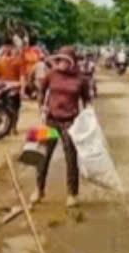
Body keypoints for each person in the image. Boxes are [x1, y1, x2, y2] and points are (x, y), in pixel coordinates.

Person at [37, 45, 92, 208]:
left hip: (70, 122)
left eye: (66, 61)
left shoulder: (81, 79)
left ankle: (72, 194)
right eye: (60, 60)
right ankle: (38, 190)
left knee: (71, 158)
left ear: (73, 62)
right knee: (42, 155)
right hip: (50, 120)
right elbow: (41, 90)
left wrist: (88, 118)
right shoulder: (51, 74)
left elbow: (87, 100)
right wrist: (41, 106)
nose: (62, 63)